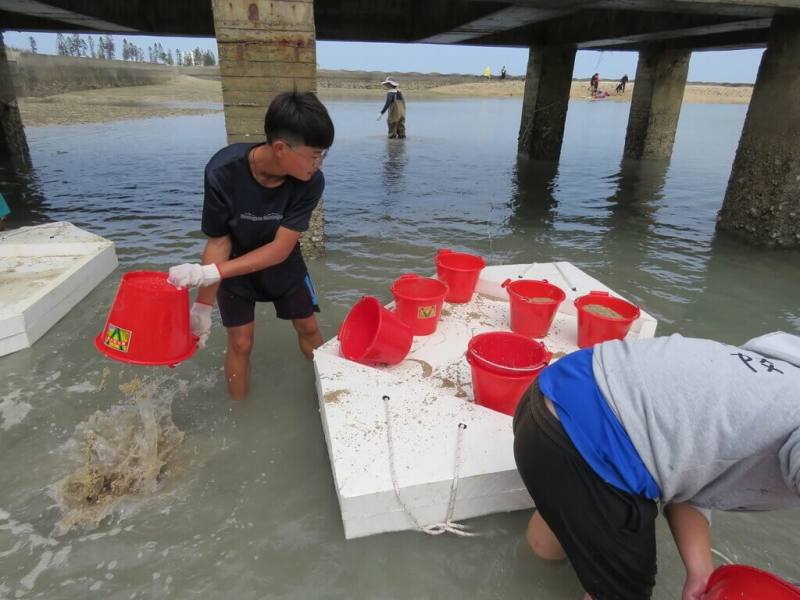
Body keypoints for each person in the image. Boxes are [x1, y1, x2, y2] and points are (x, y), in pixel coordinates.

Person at [513, 331, 800, 600]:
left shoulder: (779, 378)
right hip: (595, 444)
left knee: (568, 517)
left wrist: (700, 571)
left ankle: (525, 577)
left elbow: (695, 462)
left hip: (552, 397)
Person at [168, 91, 335, 400]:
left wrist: (207, 273)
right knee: (241, 342)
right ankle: (240, 411)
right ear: (281, 148)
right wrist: (202, 306)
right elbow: (219, 240)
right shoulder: (222, 171)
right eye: (314, 155)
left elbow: (280, 250)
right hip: (234, 268)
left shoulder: (311, 182)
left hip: (283, 265)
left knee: (308, 327)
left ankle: (333, 395)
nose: (319, 164)